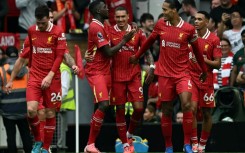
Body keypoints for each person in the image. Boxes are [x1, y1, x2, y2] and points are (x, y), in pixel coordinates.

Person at [129, 0, 208, 152]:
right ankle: (169, 146)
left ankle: (186, 144)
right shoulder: (160, 24)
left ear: (174, 11)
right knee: (166, 110)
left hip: (183, 73)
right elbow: (148, 42)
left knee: (187, 105)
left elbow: (197, 51)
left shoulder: (188, 29)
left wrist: (203, 70)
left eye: (165, 9)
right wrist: (137, 56)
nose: (163, 12)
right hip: (164, 74)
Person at [6, 5, 67, 153]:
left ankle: (46, 148)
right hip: (35, 76)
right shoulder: (32, 31)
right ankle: (38, 141)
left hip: (52, 78)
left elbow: (60, 56)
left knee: (50, 113)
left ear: (49, 18)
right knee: (31, 111)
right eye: (38, 23)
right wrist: (11, 80)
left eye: (43, 23)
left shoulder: (58, 32)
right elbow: (22, 58)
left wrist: (50, 75)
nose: (40, 26)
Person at [83, 1, 136, 153]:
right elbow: (108, 52)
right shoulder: (95, 27)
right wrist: (125, 40)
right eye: (105, 7)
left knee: (100, 106)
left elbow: (112, 38)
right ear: (99, 10)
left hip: (106, 71)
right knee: (104, 104)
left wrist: (131, 27)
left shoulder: (103, 25)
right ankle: (90, 144)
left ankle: (90, 145)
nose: (108, 9)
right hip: (96, 71)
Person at [108, 6, 154, 153]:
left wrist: (152, 67)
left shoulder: (138, 32)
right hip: (117, 76)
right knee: (120, 110)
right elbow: (106, 52)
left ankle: (129, 134)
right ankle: (125, 144)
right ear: (114, 18)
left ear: (128, 17)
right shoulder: (109, 32)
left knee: (139, 109)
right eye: (118, 17)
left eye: (123, 17)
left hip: (134, 75)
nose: (120, 20)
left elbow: (146, 51)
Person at [189, 11, 222, 153]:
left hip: (206, 78)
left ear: (207, 22)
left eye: (199, 19)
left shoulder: (214, 40)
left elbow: (218, 64)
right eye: (195, 19)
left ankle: (202, 145)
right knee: (191, 109)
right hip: (191, 77)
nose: (196, 21)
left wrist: (203, 60)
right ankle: (194, 143)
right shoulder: (189, 37)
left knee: (207, 113)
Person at [0, 46, 33, 153]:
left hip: (7, 110)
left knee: (11, 137)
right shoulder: (27, 70)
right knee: (26, 136)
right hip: (24, 109)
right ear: (18, 55)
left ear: (6, 55)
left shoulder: (1, 70)